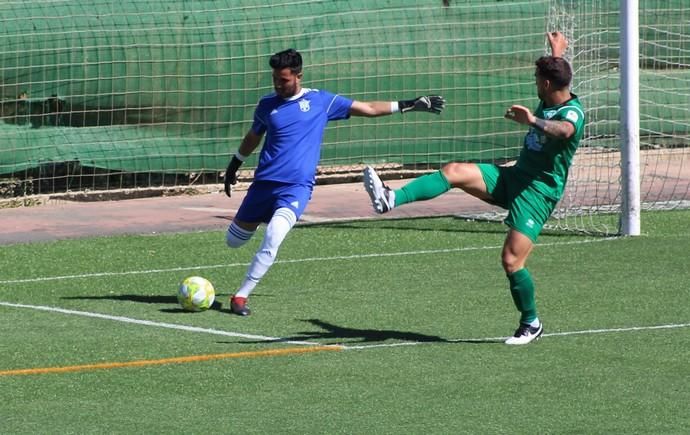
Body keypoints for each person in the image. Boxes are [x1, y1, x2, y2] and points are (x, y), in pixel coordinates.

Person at [363, 32, 584, 345]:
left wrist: (532, 120)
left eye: (537, 79)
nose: (535, 84)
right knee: (453, 171)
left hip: (537, 195)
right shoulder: (552, 94)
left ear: (547, 85)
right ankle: (391, 198)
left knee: (511, 261)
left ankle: (531, 323)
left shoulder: (570, 112)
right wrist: (557, 52)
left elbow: (564, 130)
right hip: (513, 178)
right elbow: (557, 79)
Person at [224, 48, 445, 316]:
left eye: (283, 79)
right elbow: (253, 135)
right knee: (233, 242)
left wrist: (408, 104)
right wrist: (236, 162)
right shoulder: (267, 105)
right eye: (275, 80)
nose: (278, 85)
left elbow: (368, 108)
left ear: (298, 76)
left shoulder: (322, 101)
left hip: (296, 188)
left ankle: (241, 296)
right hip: (263, 187)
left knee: (273, 236)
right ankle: (265, 219)